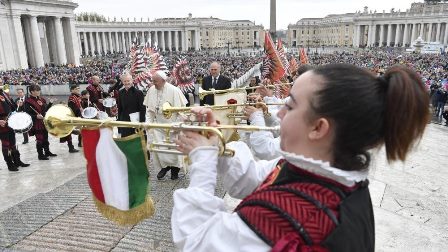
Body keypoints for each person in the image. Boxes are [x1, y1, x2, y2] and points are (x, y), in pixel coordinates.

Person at [171, 64, 429, 251]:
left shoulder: (286, 221)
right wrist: (217, 144)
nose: (280, 113)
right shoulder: (323, 176)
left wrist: (203, 161)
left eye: (291, 105)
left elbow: (196, 241)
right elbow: (252, 180)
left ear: (318, 128)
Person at [144, 70, 187, 180]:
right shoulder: (151, 90)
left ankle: (175, 170)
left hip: (173, 126)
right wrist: (148, 122)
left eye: (156, 81)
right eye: (153, 81)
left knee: (174, 150)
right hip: (158, 126)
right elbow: (150, 111)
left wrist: (176, 125)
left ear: (164, 81)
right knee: (159, 147)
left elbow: (182, 112)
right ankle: (165, 166)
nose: (154, 83)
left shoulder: (174, 91)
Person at [0, 84, 30, 171]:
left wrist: (17, 104)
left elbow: (12, 107)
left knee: (13, 143)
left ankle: (17, 161)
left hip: (9, 122)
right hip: (2, 124)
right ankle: (10, 164)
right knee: (6, 145)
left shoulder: (4, 94)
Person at [24, 84, 57, 160]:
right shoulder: (28, 101)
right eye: (37, 90)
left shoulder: (41, 99)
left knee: (45, 138)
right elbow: (27, 114)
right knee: (39, 139)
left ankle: (47, 152)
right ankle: (40, 155)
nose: (39, 91)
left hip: (43, 121)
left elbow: (45, 110)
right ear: (32, 92)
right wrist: (36, 116)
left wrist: (50, 103)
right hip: (36, 123)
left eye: (39, 90)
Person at [117, 73, 145, 137]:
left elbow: (142, 109)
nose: (127, 83)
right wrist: (119, 122)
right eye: (125, 81)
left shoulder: (138, 93)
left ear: (132, 81)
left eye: (128, 81)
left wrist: (141, 123)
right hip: (124, 121)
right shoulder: (120, 92)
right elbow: (120, 108)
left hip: (135, 121)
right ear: (122, 82)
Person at [59, 85, 81, 152]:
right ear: (72, 90)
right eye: (76, 89)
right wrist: (78, 115)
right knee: (68, 132)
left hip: (78, 115)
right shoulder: (72, 98)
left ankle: (79, 143)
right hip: (73, 116)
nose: (78, 90)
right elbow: (73, 109)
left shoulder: (77, 97)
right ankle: (71, 147)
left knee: (77, 131)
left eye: (78, 88)